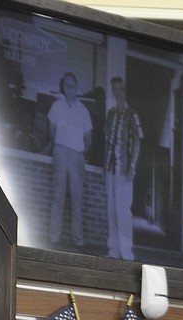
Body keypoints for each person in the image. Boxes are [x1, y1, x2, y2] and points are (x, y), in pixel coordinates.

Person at [47, 71, 93, 248]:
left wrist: (81, 153)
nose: (70, 89)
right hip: (60, 152)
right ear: (63, 87)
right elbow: (51, 131)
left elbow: (89, 138)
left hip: (76, 156)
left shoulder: (83, 110)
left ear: (76, 88)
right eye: (67, 85)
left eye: (73, 85)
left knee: (76, 199)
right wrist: (58, 147)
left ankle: (78, 240)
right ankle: (54, 238)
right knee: (58, 197)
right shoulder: (56, 106)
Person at [103, 76, 142, 260]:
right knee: (111, 209)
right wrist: (105, 163)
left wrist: (133, 165)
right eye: (115, 89)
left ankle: (127, 253)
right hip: (110, 168)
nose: (117, 93)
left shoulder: (132, 114)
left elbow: (137, 143)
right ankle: (113, 250)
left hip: (124, 169)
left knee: (124, 211)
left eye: (120, 89)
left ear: (124, 91)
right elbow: (107, 141)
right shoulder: (111, 114)